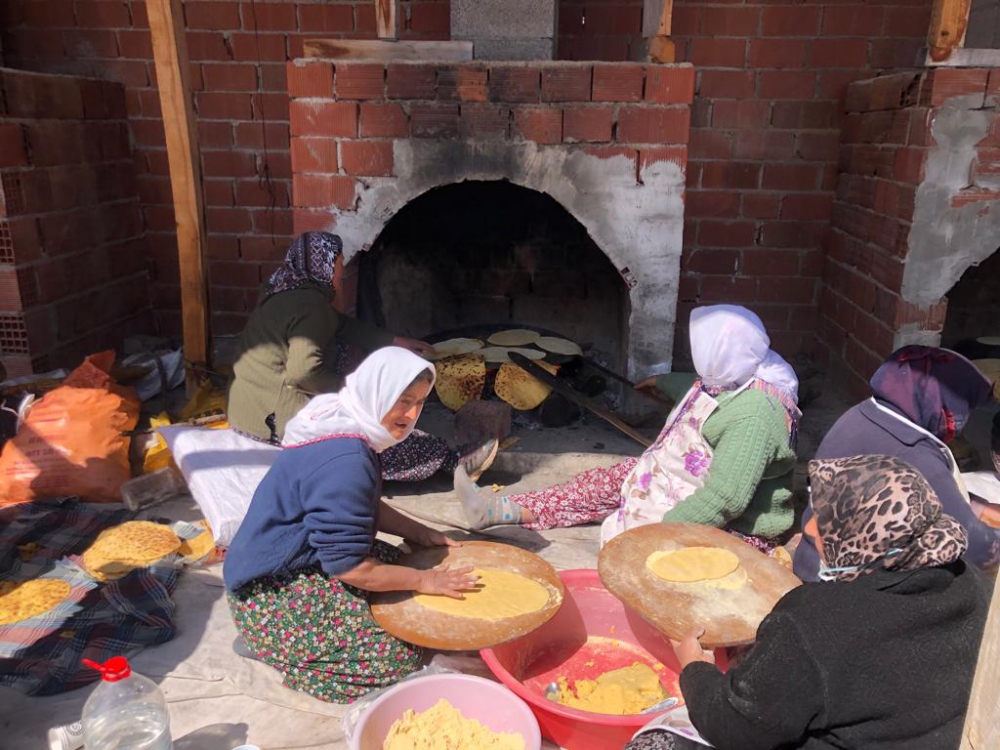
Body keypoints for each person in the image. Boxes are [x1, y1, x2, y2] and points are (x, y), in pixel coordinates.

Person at [629, 455, 990, 750]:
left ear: (868, 540)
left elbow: (734, 727)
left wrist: (694, 669)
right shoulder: (975, 585)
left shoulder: (816, 621)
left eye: (833, 521)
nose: (812, 530)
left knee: (656, 741)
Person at [223, 347, 479, 703]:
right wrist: (426, 580)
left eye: (420, 402)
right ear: (378, 391)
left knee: (400, 565)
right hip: (268, 589)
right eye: (403, 400)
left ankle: (275, 640)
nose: (411, 414)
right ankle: (271, 643)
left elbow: (363, 505)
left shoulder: (345, 422)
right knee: (397, 655)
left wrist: (421, 533)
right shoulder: (345, 459)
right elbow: (349, 567)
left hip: (300, 556)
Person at [455, 305, 801, 552]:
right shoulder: (734, 372)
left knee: (678, 559)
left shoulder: (756, 415)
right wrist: (664, 382)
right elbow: (703, 389)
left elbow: (725, 499)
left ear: (723, 354)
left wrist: (659, 534)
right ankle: (504, 511)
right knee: (606, 481)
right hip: (683, 481)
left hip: (731, 525)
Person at [227, 231, 497, 481]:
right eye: (338, 265)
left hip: (247, 414)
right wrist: (356, 395)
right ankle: (452, 461)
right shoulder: (311, 306)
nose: (341, 272)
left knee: (343, 348)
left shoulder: (286, 292)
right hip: (274, 425)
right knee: (378, 436)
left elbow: (341, 325)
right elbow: (305, 373)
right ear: (323, 266)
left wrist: (394, 341)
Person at [794, 345, 1000, 581]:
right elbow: (974, 549)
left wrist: (979, 507)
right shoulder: (915, 453)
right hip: (843, 583)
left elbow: (939, 498)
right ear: (945, 406)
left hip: (811, 556)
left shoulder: (864, 414)